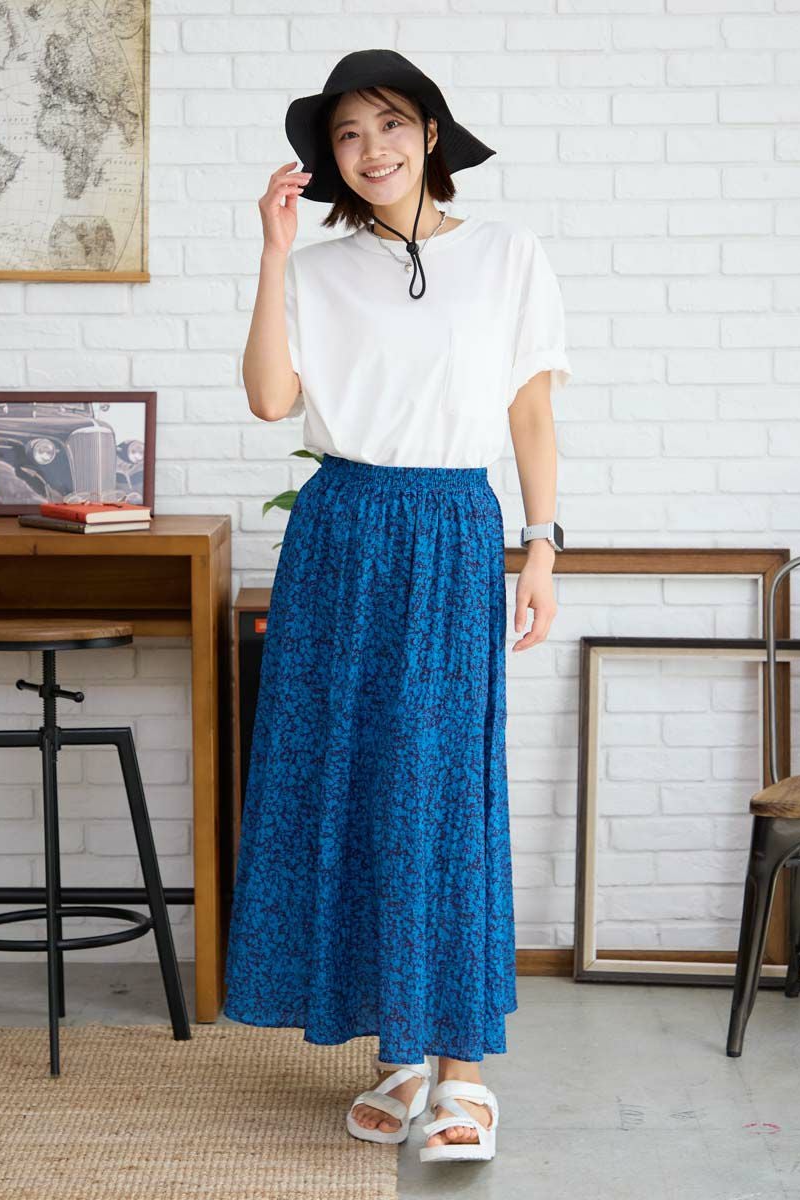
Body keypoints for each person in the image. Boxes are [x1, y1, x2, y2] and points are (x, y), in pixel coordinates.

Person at [223, 49, 572, 1166]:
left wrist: (542, 545)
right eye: (346, 134)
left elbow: (530, 414)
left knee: (443, 790)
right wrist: (273, 254)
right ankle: (400, 1057)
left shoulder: (508, 255)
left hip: (452, 530)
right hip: (339, 531)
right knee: (348, 782)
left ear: (429, 133)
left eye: (387, 125)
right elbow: (271, 398)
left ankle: (464, 1072)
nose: (369, 149)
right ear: (329, 159)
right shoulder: (318, 269)